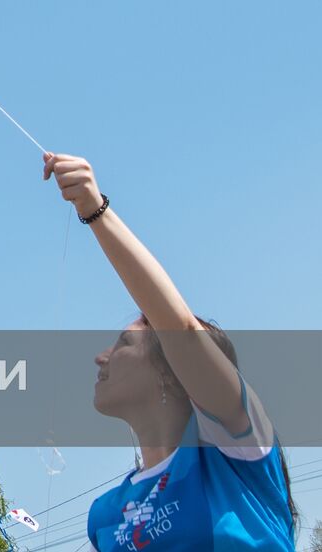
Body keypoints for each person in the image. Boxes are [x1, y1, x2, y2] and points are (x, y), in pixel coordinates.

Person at [41, 153, 298, 550]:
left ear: (170, 369)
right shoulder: (104, 515)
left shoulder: (234, 445)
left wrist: (95, 210)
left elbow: (179, 328)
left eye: (124, 342)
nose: (101, 356)